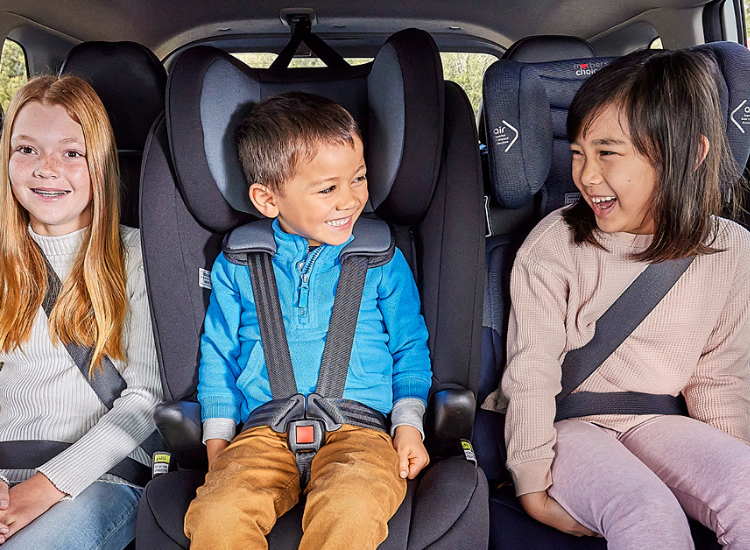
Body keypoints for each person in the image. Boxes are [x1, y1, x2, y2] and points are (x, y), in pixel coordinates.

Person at [483, 49, 750, 547]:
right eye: (578, 151)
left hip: (656, 422)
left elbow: (719, 376)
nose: (584, 175)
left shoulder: (730, 249)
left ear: (689, 155)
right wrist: (531, 480)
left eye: (607, 152)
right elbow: (532, 371)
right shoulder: (556, 242)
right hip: (568, 425)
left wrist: (722, 468)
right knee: (647, 514)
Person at [183, 91, 433, 549]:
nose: (351, 200)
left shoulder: (380, 259)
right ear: (268, 199)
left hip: (363, 431)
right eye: (327, 189)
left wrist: (409, 424)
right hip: (261, 432)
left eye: (358, 179)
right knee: (216, 516)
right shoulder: (239, 264)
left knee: (353, 507)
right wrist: (217, 438)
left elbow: (409, 347)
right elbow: (218, 354)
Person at [0, 75, 162, 549]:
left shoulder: (137, 258)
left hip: (101, 478)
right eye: (27, 149)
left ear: (101, 164)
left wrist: (44, 488)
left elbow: (146, 399)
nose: (46, 169)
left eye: (72, 153)